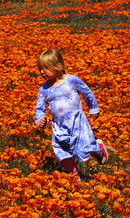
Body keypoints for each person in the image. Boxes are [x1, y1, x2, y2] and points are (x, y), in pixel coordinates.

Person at [34, 49, 109, 181]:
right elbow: (39, 109)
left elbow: (87, 92)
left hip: (77, 123)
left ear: (58, 67)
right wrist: (41, 120)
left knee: (85, 147)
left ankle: (98, 149)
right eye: (40, 69)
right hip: (59, 127)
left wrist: (93, 109)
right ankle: (75, 177)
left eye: (45, 68)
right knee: (62, 153)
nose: (42, 72)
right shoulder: (43, 90)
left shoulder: (72, 80)